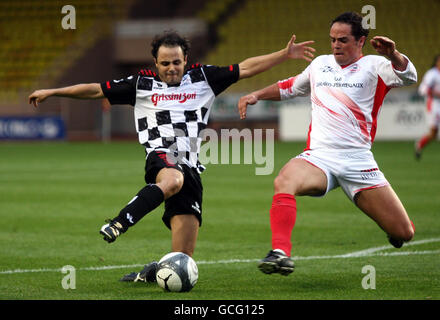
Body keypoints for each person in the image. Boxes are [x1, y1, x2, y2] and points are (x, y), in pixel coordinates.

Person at [29, 31, 315, 283]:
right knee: (173, 178)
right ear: (156, 63)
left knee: (182, 259)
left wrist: (284, 55)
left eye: (176, 62)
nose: (171, 68)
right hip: (161, 156)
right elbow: (95, 90)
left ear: (185, 59)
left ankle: (150, 272)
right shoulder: (141, 83)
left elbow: (246, 68)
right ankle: (120, 221)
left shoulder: (204, 77)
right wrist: (54, 91)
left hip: (192, 168)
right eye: (165, 63)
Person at [238, 12, 417, 276]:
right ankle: (280, 253)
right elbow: (291, 87)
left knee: (404, 232)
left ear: (361, 41)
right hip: (319, 158)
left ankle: (394, 232)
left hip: (358, 160)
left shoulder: (375, 66)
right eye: (332, 39)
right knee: (284, 181)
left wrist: (393, 55)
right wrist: (256, 94)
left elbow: (409, 77)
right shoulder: (320, 64)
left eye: (343, 40)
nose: (335, 45)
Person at [414, 54, 440, 160]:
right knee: (433, 133)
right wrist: (435, 93)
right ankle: (419, 145)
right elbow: (423, 89)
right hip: (434, 104)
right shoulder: (432, 74)